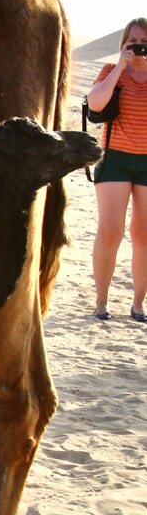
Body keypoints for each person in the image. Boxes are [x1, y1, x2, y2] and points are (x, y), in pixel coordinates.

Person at [88, 17, 147, 322]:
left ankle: (138, 305)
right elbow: (96, 104)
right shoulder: (112, 72)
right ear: (124, 43)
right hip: (115, 160)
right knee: (111, 231)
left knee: (144, 234)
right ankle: (101, 302)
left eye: (144, 43)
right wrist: (121, 66)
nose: (138, 48)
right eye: (132, 42)